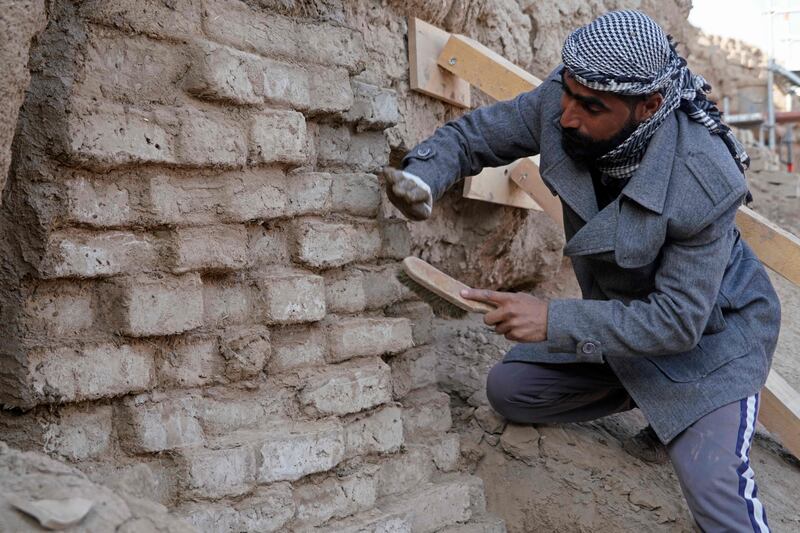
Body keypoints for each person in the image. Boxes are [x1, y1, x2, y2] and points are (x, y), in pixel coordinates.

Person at [382, 10, 780, 532]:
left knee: (719, 504)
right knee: (512, 389)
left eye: (592, 107)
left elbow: (680, 322)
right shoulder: (566, 98)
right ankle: (648, 394)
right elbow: (477, 136)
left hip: (712, 340)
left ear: (649, 106)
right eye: (568, 94)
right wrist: (423, 176)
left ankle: (686, 415)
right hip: (624, 326)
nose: (568, 116)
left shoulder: (705, 178)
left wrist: (553, 321)